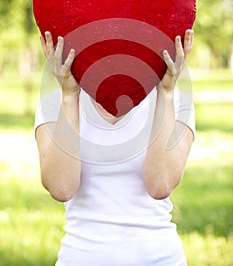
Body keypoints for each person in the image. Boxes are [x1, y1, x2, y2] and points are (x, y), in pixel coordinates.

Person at [35, 28, 195, 266]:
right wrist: (69, 95)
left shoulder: (175, 100)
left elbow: (160, 185)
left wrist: (166, 93)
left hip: (159, 258)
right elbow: (61, 188)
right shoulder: (53, 102)